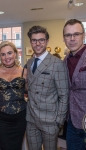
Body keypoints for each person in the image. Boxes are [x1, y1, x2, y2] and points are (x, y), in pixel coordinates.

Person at [26, 25, 69, 150]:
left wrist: (58, 121)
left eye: (41, 40)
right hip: (31, 119)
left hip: (50, 120)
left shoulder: (57, 64)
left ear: (47, 41)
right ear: (31, 42)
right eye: (34, 40)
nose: (37, 43)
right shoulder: (29, 62)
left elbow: (64, 95)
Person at [0, 41, 27, 150]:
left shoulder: (24, 72)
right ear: (0, 56)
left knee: (17, 146)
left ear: (15, 53)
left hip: (20, 116)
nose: (7, 57)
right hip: (1, 117)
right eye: (3, 54)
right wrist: (3, 94)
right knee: (4, 146)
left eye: (9, 53)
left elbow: (31, 90)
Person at [63, 19, 86, 150]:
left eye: (76, 34)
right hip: (72, 121)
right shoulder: (65, 60)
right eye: (68, 35)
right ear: (64, 38)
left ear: (84, 35)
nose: (72, 38)